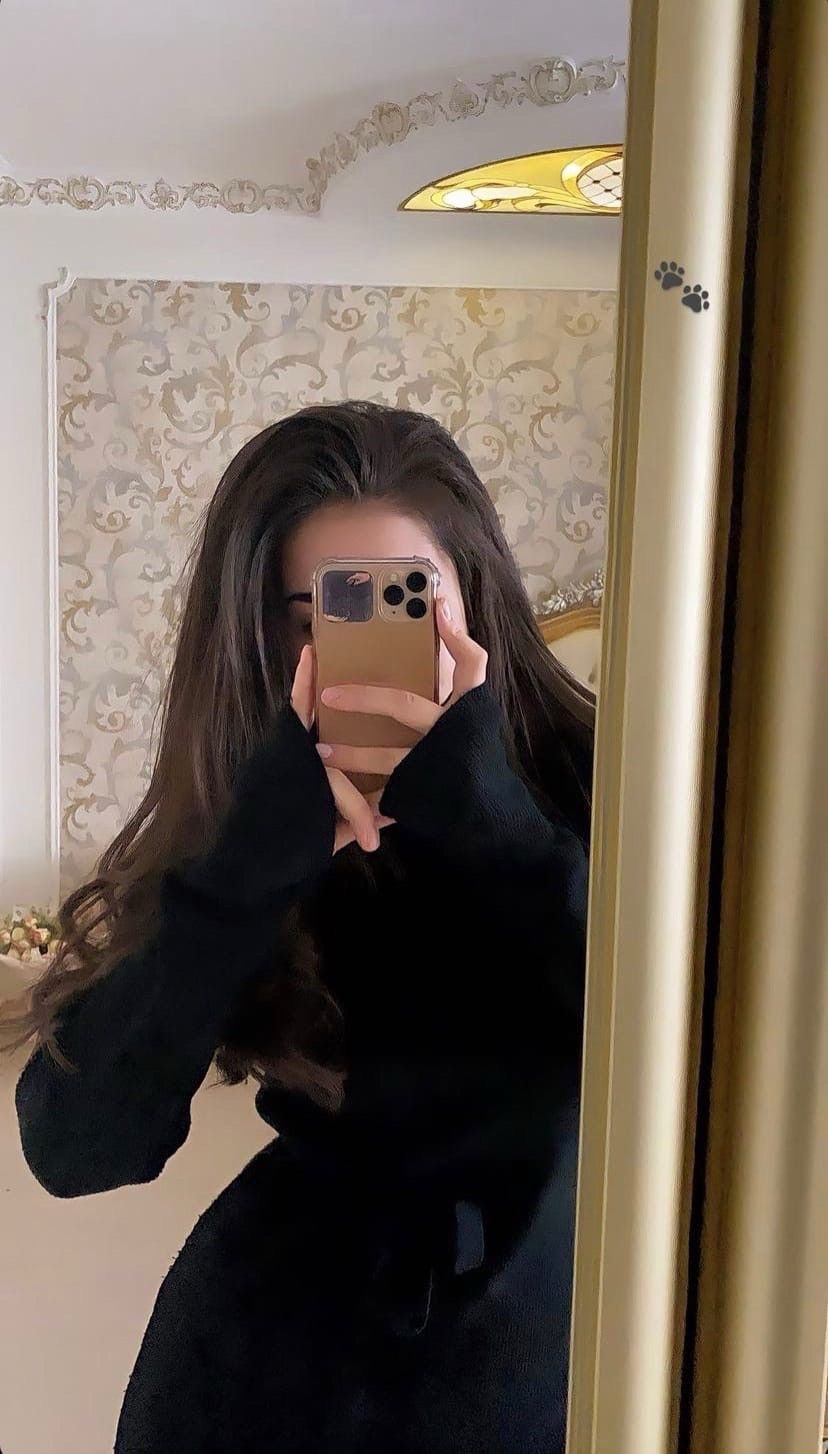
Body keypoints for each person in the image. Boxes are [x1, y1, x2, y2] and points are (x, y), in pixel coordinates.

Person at [7, 401, 592, 1453]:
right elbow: (76, 1146)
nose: (356, 643)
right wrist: (243, 870)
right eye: (311, 613)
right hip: (262, 1368)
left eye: (400, 597)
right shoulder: (252, 806)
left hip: (533, 1355)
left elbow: (693, 1046)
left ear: (472, 595)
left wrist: (491, 820)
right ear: (260, 635)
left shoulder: (595, 776)